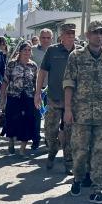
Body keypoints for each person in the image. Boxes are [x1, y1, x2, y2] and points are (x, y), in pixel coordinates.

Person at [64, 20, 102, 204]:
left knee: (100, 153)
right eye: (95, 32)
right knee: (80, 152)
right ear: (87, 35)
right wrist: (67, 109)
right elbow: (68, 83)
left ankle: (97, 189)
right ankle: (77, 178)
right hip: (81, 113)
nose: (99, 36)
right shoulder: (75, 56)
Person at [36, 23, 77, 172]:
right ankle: (52, 152)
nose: (71, 36)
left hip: (72, 103)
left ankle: (68, 162)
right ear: (61, 35)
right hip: (54, 100)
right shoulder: (52, 51)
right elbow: (42, 72)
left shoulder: (79, 52)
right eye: (67, 33)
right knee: (50, 132)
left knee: (70, 134)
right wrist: (37, 93)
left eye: (73, 33)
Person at [0, 41, 39, 156]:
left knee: (27, 121)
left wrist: (37, 96)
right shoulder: (12, 64)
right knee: (12, 120)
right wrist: (2, 98)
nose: (27, 52)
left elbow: (35, 82)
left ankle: (22, 149)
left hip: (28, 97)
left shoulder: (33, 65)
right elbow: (6, 81)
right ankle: (11, 140)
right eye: (25, 50)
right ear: (20, 51)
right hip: (13, 96)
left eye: (29, 50)